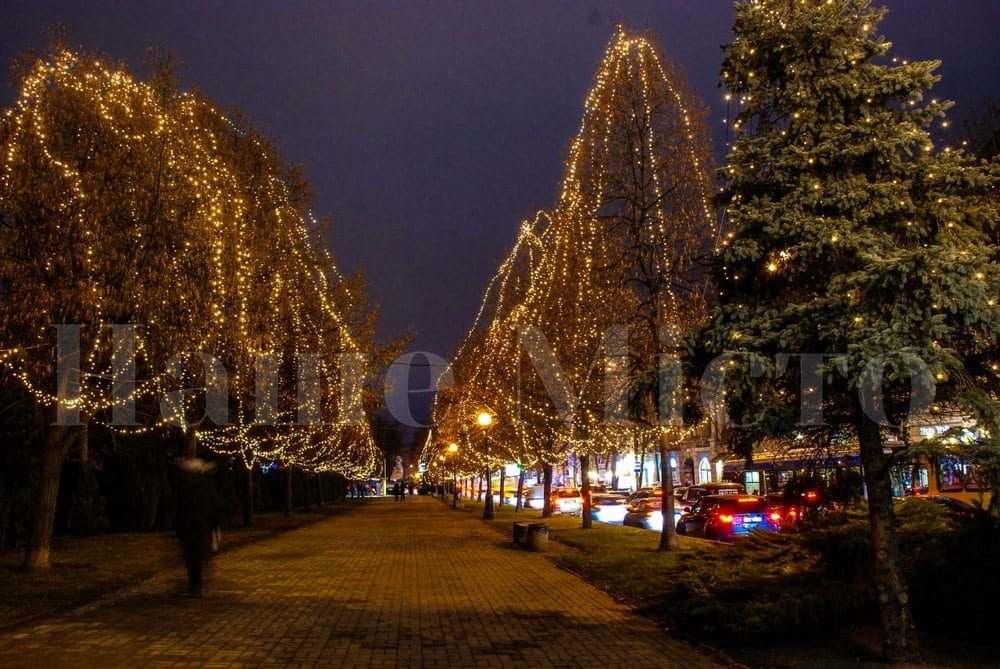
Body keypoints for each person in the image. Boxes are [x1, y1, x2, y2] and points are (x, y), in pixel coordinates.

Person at [174, 456, 219, 597]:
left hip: (187, 527)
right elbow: (215, 506)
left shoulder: (182, 486)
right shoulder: (208, 486)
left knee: (191, 558)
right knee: (201, 556)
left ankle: (194, 585)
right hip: (203, 526)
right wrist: (215, 525)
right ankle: (198, 586)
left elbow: (178, 506)